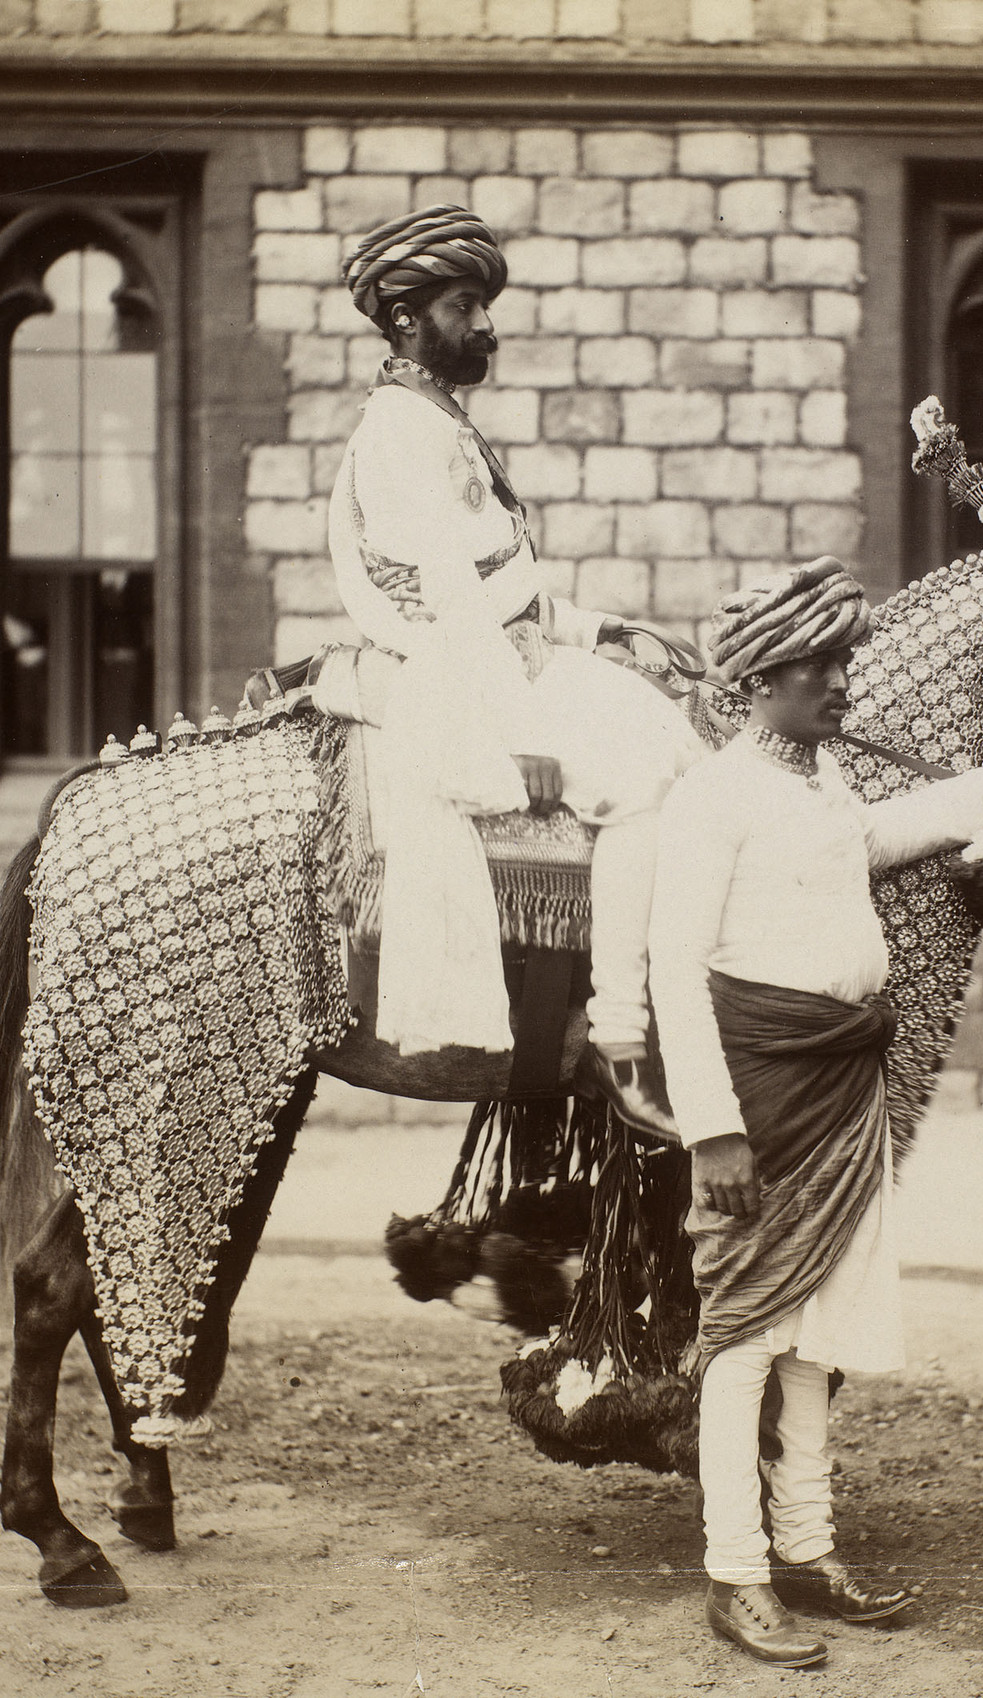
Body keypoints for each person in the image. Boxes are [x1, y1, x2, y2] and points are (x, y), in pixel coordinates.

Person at [650, 559, 983, 1668]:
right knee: (746, 1331)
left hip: (841, 1081)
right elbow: (673, 963)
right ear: (760, 677)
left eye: (844, 662)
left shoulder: (816, 784)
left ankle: (805, 1547)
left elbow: (859, 846)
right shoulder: (714, 794)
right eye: (819, 666)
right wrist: (710, 1127)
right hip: (760, 1095)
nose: (840, 683)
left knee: (818, 1335)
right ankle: (734, 1570)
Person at [327, 205, 699, 1136]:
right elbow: (450, 601)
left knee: (677, 724)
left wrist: (612, 628)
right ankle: (622, 1041)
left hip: (501, 657)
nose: (485, 327)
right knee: (653, 779)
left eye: (483, 306)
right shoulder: (399, 434)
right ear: (406, 318)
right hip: (462, 684)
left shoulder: (440, 422)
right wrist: (519, 732)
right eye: (464, 306)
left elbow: (506, 589)